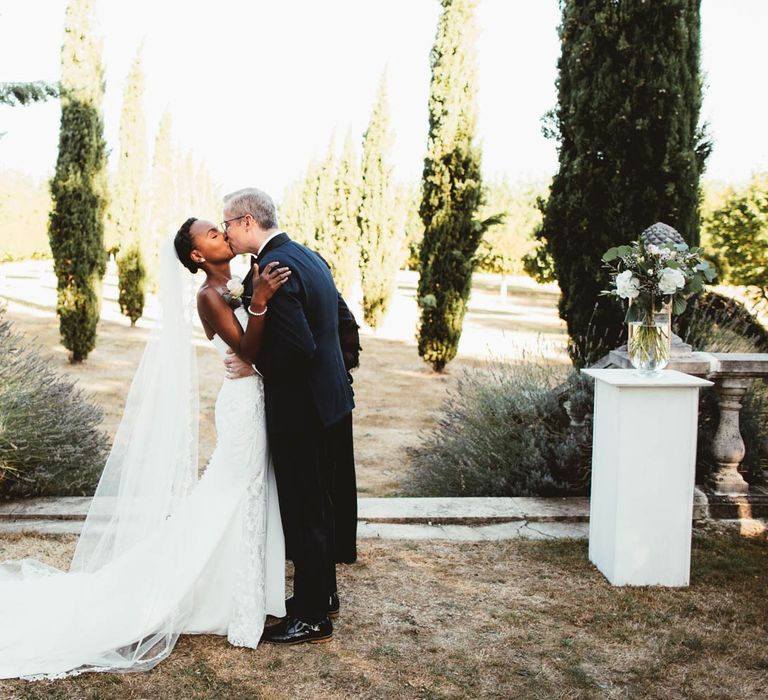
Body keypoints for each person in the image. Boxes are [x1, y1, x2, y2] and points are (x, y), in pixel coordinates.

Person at [0, 222, 288, 680]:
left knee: (240, 494)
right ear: (197, 256)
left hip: (252, 400)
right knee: (233, 493)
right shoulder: (211, 296)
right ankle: (195, 591)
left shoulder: (234, 283)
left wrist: (255, 298)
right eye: (212, 234)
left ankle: (234, 589)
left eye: (221, 229)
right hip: (240, 406)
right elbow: (248, 350)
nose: (222, 235)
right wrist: (258, 304)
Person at [222, 187, 355, 645]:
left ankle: (314, 617)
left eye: (227, 224)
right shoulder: (307, 256)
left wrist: (252, 365)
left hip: (304, 409)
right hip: (330, 400)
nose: (225, 233)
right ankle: (323, 595)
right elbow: (342, 321)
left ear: (245, 221)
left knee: (305, 511)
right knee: (320, 504)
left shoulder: (274, 270)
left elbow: (298, 347)